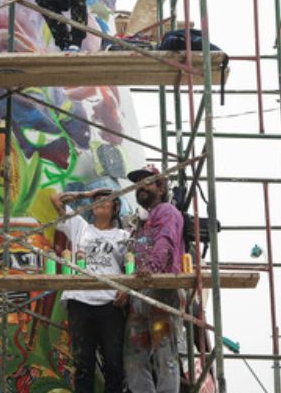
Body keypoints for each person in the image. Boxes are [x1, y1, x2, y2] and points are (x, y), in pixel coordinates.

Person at [50, 187, 128, 393]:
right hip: (80, 301)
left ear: (115, 208)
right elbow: (55, 198)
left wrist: (127, 289)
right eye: (97, 201)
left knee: (113, 364)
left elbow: (130, 267)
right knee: (83, 365)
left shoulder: (123, 235)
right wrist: (87, 194)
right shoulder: (79, 226)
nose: (101, 202)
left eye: (107, 200)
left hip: (110, 304)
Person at [120, 164, 184, 393]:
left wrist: (152, 269)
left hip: (161, 289)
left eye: (146, 182)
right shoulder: (140, 223)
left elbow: (165, 241)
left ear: (161, 186)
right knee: (134, 355)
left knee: (164, 351)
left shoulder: (166, 211)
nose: (140, 188)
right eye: (137, 185)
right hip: (140, 292)